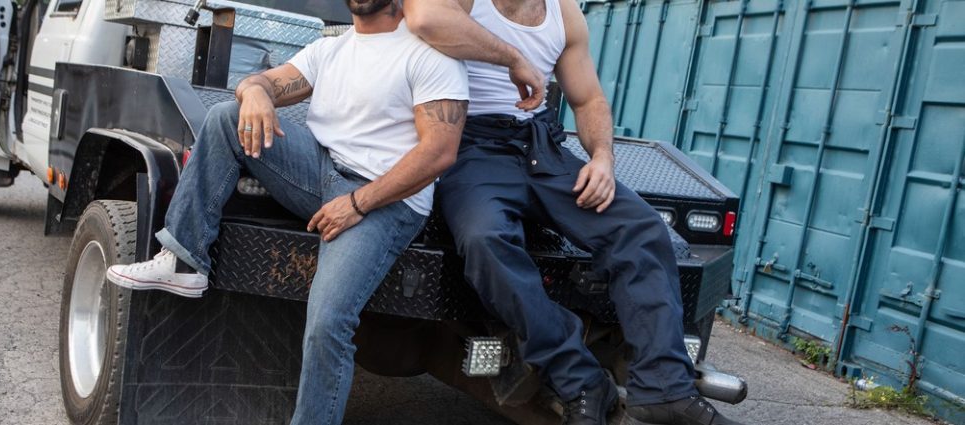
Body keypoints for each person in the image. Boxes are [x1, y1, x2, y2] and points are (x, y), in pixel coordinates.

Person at [105, 1, 469, 423]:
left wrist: (357, 203)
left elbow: (439, 152)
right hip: (321, 169)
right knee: (227, 117)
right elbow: (261, 81)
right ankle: (185, 259)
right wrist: (256, 94)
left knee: (328, 323)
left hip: (386, 200)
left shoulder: (429, 54)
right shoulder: (331, 48)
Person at [401, 0, 743, 424]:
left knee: (641, 228)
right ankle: (580, 379)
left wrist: (602, 159)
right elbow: (425, 18)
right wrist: (514, 58)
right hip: (473, 148)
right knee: (485, 240)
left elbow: (589, 99)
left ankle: (665, 388)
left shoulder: (564, 14)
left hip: (541, 147)